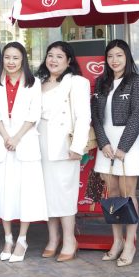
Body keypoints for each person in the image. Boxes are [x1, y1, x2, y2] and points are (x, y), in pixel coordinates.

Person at [0, 42, 47, 263]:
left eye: (15, 58)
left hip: (25, 143)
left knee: (25, 193)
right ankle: (8, 238)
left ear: (23, 60)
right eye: (7, 57)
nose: (11, 62)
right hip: (1, 143)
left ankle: (22, 239)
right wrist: (6, 137)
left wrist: (17, 137)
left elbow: (34, 114)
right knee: (4, 193)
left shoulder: (34, 83)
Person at [91, 39, 139, 267]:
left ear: (127, 58)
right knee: (112, 194)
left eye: (119, 55)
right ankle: (116, 242)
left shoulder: (137, 81)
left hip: (128, 143)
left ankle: (130, 243)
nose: (114, 60)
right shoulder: (100, 82)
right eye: (111, 56)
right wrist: (103, 143)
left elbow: (138, 114)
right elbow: (95, 117)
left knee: (127, 192)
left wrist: (123, 147)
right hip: (106, 145)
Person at [36, 41, 91, 262]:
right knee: (47, 195)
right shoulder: (37, 82)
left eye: (59, 56)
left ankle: (69, 239)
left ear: (69, 61)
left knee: (65, 195)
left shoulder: (77, 82)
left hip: (64, 146)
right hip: (40, 145)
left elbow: (83, 116)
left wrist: (78, 146)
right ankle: (52, 238)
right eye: (50, 55)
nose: (54, 60)